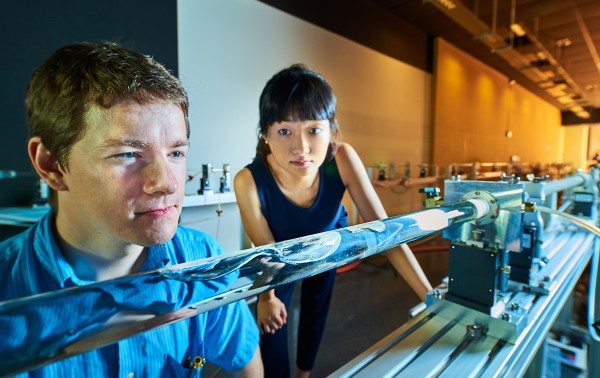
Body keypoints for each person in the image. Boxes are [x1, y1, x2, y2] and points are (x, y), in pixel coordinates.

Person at [0, 42, 262, 377]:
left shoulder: (202, 260)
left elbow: (248, 368)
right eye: (128, 154)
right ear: (51, 164)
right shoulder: (8, 290)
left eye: (176, 153)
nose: (167, 183)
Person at [234, 64, 433, 378]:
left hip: (327, 238)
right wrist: (266, 298)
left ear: (330, 129)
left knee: (316, 307)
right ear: (266, 134)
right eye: (285, 131)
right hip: (279, 257)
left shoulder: (339, 160)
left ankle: (304, 375)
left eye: (314, 130)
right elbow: (266, 251)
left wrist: (430, 297)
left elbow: (388, 233)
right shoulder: (249, 182)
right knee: (271, 328)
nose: (301, 148)